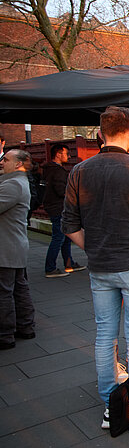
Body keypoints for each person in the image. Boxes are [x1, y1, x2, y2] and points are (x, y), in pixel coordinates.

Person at [63, 106, 129, 433]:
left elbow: (69, 225)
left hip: (101, 265)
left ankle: (112, 406)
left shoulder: (79, 171)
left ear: (99, 133)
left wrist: (94, 248)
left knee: (104, 336)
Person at [0, 149, 36, 350]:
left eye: (6, 159)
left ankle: (5, 334)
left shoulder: (13, 184)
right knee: (18, 288)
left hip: (7, 247)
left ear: (18, 164)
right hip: (13, 245)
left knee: (5, 291)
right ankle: (25, 326)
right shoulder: (14, 181)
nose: (2, 162)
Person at [42, 144, 86, 278]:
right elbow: (61, 190)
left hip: (55, 207)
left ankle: (69, 263)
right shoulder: (57, 171)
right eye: (67, 153)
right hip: (58, 208)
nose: (69, 156)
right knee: (59, 238)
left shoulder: (49, 170)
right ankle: (50, 267)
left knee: (66, 237)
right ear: (59, 154)